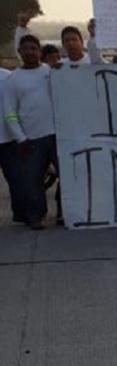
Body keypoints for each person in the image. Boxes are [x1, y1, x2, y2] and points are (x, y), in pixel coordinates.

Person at [3, 34, 58, 229]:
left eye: (33, 48)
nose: (29, 52)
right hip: (31, 140)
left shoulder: (51, 72)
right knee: (33, 182)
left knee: (68, 177)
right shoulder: (13, 79)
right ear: (19, 52)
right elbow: (9, 113)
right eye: (25, 48)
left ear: (39, 51)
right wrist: (20, 138)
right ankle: (37, 217)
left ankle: (65, 213)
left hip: (58, 135)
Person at [0, 67, 24, 223]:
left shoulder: (8, 77)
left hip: (8, 137)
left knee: (16, 178)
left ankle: (21, 213)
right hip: (9, 137)